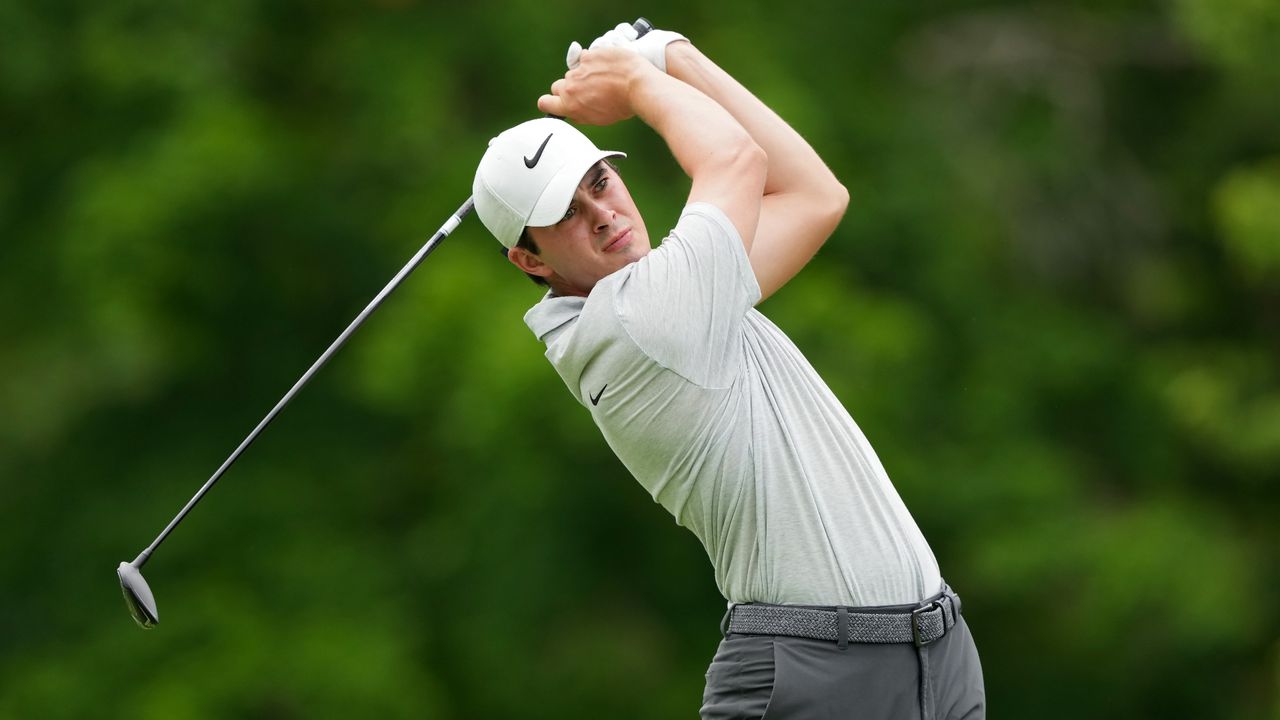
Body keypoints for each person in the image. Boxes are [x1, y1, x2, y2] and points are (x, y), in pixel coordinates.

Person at [471, 21, 985, 720]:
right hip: (813, 676)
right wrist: (638, 80)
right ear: (530, 261)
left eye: (600, 180)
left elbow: (813, 197)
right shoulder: (635, 320)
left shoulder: (680, 293)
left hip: (933, 659)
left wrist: (671, 55)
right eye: (565, 212)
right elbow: (737, 162)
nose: (603, 212)